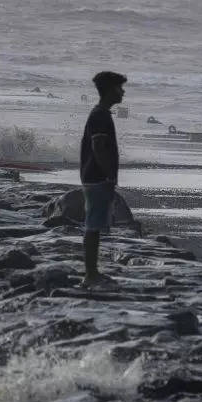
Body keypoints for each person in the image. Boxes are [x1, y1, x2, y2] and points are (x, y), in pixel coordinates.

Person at [80, 71, 126, 288]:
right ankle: (90, 275)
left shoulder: (101, 113)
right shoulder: (100, 115)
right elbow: (99, 148)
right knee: (93, 226)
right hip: (97, 178)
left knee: (95, 226)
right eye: (119, 88)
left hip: (95, 177)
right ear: (109, 90)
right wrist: (109, 175)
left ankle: (93, 272)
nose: (123, 92)